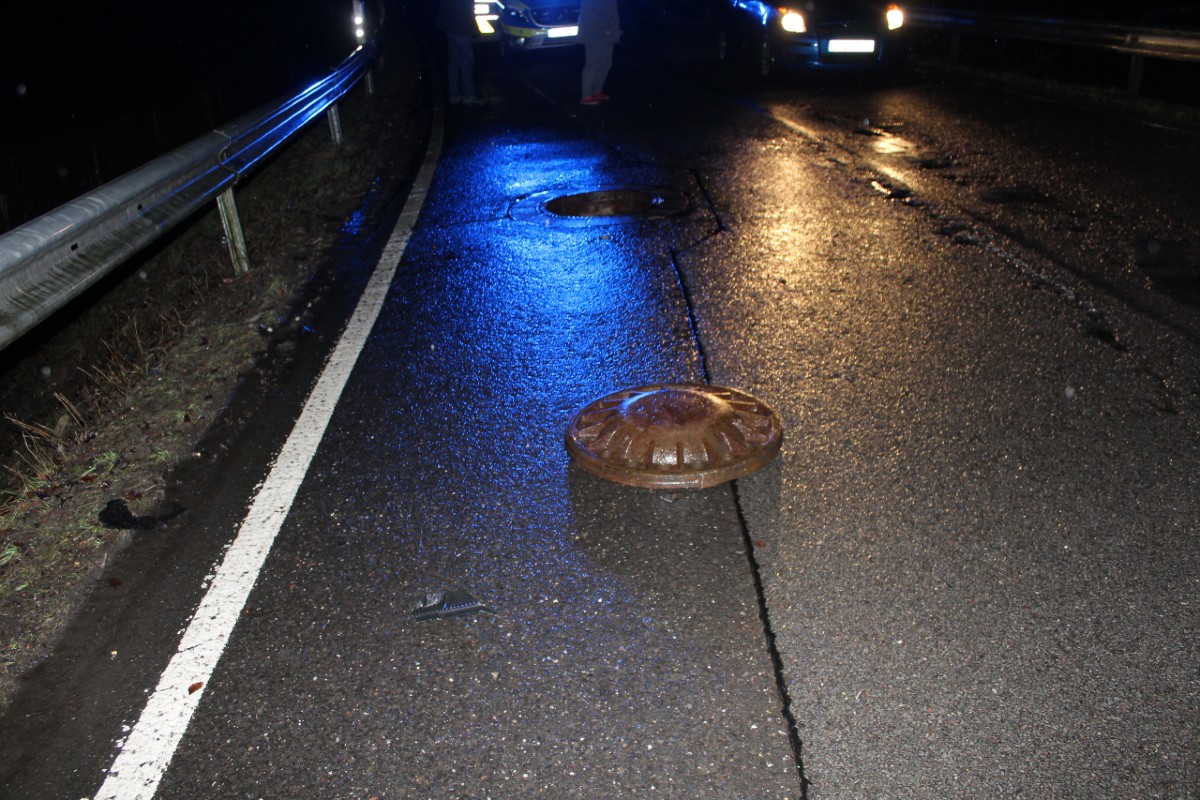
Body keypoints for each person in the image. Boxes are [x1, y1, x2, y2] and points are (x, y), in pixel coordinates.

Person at [436, 0, 483, 106]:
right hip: (461, 28)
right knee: (467, 62)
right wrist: (475, 31)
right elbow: (467, 11)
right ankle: (468, 95)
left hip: (450, 28)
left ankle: (454, 95)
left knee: (454, 62)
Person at [577, 0, 619, 105]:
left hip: (607, 33)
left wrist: (615, 29)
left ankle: (597, 91)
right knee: (593, 63)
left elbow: (610, 10)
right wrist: (605, 28)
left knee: (605, 63)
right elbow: (593, 12)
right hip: (595, 34)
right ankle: (586, 95)